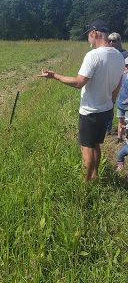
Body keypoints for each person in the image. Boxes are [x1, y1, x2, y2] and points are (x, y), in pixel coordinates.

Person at [38, 19, 125, 182]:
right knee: (96, 145)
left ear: (94, 33)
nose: (88, 40)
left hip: (90, 111)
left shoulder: (93, 55)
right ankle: (95, 176)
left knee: (87, 149)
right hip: (106, 109)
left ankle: (87, 184)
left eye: (88, 36)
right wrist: (111, 102)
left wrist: (54, 75)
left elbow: (79, 82)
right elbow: (118, 84)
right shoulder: (119, 56)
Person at [106, 32, 128, 135]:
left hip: (122, 85)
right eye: (109, 40)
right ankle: (107, 129)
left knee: (122, 107)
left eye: (114, 41)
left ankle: (123, 130)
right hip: (109, 82)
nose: (111, 42)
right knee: (108, 105)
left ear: (119, 41)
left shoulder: (125, 54)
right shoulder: (107, 53)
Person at [115, 57, 128, 143]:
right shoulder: (122, 75)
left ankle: (126, 139)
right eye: (126, 66)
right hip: (120, 102)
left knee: (127, 123)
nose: (126, 68)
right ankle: (119, 137)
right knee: (120, 120)